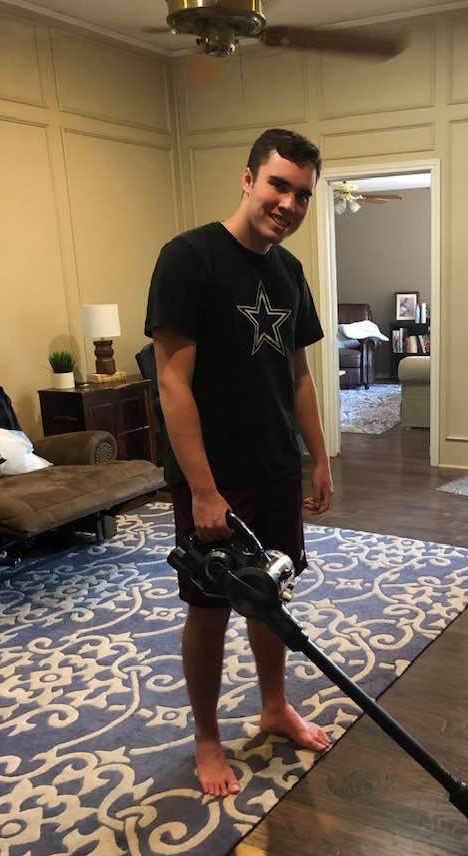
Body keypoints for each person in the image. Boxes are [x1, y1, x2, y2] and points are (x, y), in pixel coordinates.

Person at [145, 128, 333, 798]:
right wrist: (201, 489)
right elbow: (173, 382)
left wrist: (317, 457)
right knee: (209, 607)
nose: (288, 203)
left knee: (271, 597)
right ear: (248, 178)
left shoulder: (290, 272)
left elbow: (301, 375)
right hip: (214, 476)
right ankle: (205, 736)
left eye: (302, 194)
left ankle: (275, 706)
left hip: (276, 464)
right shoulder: (189, 259)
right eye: (279, 184)